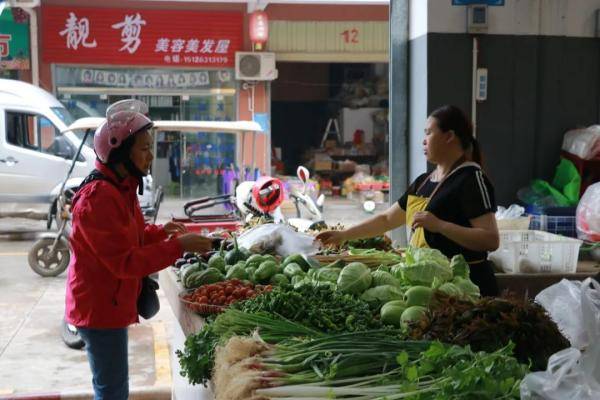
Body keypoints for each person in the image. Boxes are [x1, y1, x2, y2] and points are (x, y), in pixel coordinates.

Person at [65, 100, 213, 400]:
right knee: (112, 391)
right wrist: (177, 247)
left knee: (114, 386)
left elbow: (130, 236)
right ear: (119, 151)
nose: (150, 156)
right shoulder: (99, 198)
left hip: (112, 303)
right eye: (144, 149)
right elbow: (125, 262)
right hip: (99, 309)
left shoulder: (121, 186)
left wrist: (161, 233)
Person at [317, 105, 500, 296]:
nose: (423, 140)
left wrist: (439, 225)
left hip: (468, 289)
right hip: (432, 288)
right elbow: (387, 220)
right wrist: (344, 235)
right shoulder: (423, 182)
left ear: (449, 136)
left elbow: (490, 239)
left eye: (429, 133)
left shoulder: (471, 178)